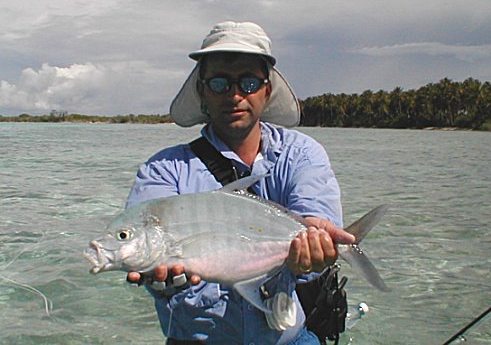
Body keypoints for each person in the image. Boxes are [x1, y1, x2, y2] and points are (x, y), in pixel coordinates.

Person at [126, 21, 355, 344]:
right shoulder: (164, 169)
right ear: (202, 91)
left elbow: (316, 241)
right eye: (219, 83)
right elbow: (146, 242)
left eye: (248, 82)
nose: (234, 95)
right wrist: (159, 278)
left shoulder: (302, 154)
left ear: (267, 90)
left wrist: (314, 245)